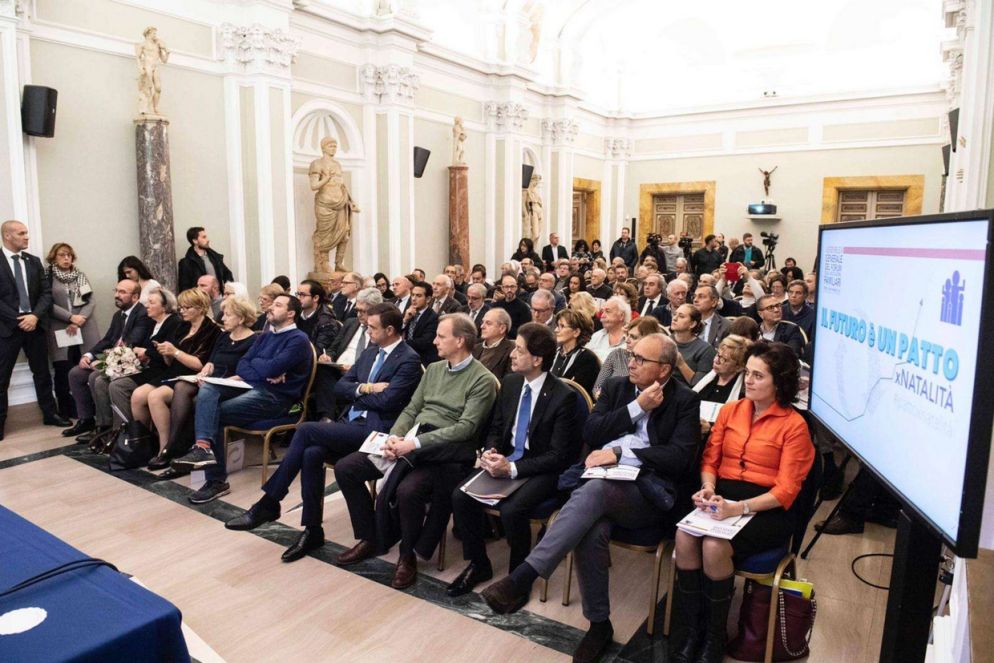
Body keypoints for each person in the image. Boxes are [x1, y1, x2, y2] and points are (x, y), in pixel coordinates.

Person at [482, 333, 701, 661]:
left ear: (665, 369)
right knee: (591, 530)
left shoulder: (684, 400)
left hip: (648, 495)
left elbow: (679, 458)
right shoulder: (618, 388)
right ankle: (599, 625)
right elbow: (591, 433)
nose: (632, 363)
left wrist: (619, 453)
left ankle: (523, 576)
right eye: (632, 356)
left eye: (642, 359)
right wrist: (635, 408)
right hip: (602, 488)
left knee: (593, 492)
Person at [224, 303, 423, 559]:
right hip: (351, 424)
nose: (367, 330)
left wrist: (357, 392)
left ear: (391, 329)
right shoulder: (372, 351)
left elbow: (388, 402)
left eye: (373, 327)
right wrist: (366, 389)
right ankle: (312, 530)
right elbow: (340, 387)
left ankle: (270, 502)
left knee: (306, 430)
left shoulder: (408, 359)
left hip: (379, 431)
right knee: (312, 453)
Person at [670, 342, 814, 663]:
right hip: (724, 496)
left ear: (780, 382)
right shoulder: (730, 410)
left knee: (713, 546)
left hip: (767, 508)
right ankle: (693, 629)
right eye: (747, 373)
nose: (748, 380)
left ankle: (714, 636)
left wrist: (739, 508)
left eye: (758, 376)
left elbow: (787, 491)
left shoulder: (794, 426)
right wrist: (707, 487)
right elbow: (710, 458)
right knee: (683, 535)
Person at [333, 314, 498, 589]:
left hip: (445, 453)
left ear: (460, 341)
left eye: (441, 336)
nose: (434, 340)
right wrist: (394, 437)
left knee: (407, 491)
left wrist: (413, 444)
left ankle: (407, 556)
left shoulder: (483, 379)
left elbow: (466, 429)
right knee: (346, 468)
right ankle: (371, 537)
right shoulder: (433, 369)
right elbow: (412, 408)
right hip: (412, 440)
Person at [448, 323, 577, 595]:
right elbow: (496, 427)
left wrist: (513, 468)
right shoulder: (511, 382)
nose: (512, 355)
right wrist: (491, 451)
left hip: (541, 468)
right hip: (507, 460)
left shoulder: (563, 397)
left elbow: (559, 456)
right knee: (460, 495)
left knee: (512, 510)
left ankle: (517, 578)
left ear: (538, 359)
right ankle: (479, 564)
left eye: (519, 350)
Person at [171, 294, 314, 504]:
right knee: (209, 387)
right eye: (272, 304)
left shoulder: (298, 340)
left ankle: (215, 480)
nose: (270, 308)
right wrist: (264, 369)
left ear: (291, 313)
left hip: (277, 399)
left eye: (278, 305)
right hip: (252, 388)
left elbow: (268, 367)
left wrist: (262, 367)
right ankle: (202, 447)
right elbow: (242, 365)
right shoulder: (265, 335)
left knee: (214, 413)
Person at [147, 296, 258, 471]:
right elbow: (211, 362)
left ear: (242, 319)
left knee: (196, 400)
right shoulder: (224, 337)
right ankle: (174, 447)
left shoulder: (254, 341)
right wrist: (204, 373)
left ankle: (177, 448)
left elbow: (247, 373)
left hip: (233, 385)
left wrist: (216, 381)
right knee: (182, 386)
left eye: (228, 315)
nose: (223, 319)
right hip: (212, 381)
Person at [0, 220, 69, 439]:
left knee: (42, 373)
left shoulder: (33, 261)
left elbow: (46, 293)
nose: (27, 237)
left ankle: (50, 413)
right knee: (2, 377)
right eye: (21, 233)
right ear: (7, 236)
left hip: (35, 325)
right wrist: (19, 318)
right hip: (8, 328)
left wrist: (34, 316)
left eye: (27, 233)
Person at [127, 288, 220, 445]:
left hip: (192, 376)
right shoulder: (183, 326)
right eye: (181, 307)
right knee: (138, 395)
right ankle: (143, 443)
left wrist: (175, 352)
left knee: (155, 396)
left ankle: (166, 445)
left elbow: (200, 364)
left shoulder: (211, 330)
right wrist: (165, 352)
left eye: (187, 307)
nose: (182, 311)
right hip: (174, 371)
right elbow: (170, 361)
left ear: (200, 307)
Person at [65, 280, 153, 442]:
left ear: (135, 297)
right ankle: (86, 419)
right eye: (116, 291)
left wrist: (104, 361)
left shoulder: (143, 314)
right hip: (112, 359)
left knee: (96, 378)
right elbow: (107, 340)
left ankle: (104, 426)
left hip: (131, 363)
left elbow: (132, 342)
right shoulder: (118, 315)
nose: (116, 295)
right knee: (76, 373)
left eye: (122, 292)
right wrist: (89, 356)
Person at [105, 287, 184, 428]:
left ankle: (131, 433)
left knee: (118, 386)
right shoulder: (152, 323)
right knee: (106, 380)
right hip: (148, 368)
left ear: (164, 306)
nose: (146, 305)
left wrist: (146, 352)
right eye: (147, 302)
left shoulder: (174, 322)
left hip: (162, 370)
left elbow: (168, 351)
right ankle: (119, 431)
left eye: (152, 303)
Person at [45, 242, 99, 420]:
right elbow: (47, 303)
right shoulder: (47, 277)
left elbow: (89, 301)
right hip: (61, 328)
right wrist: (70, 318)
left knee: (85, 366)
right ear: (54, 257)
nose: (66, 258)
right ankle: (67, 411)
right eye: (62, 255)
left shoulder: (79, 276)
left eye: (69, 255)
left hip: (83, 327)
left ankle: (88, 410)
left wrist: (79, 320)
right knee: (63, 370)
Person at [692, 334, 751, 438]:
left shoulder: (743, 393)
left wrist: (710, 429)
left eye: (724, 359)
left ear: (739, 367)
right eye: (718, 355)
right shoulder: (708, 380)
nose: (716, 360)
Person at [593, 315, 663, 399]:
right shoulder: (617, 354)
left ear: (648, 340)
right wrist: (604, 398)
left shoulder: (654, 363)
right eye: (628, 335)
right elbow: (597, 387)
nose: (627, 340)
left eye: (633, 337)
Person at [550, 309, 600, 396]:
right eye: (557, 325)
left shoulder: (588, 359)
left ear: (576, 332)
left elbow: (579, 393)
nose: (556, 330)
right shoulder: (552, 353)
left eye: (562, 326)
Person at [670, 304, 717, 386]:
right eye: (674, 314)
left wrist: (681, 364)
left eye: (681, 316)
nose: (674, 318)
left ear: (692, 324)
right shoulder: (664, 341)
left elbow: (699, 384)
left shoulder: (705, 350)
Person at [177, 226, 234, 293]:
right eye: (204, 237)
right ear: (195, 241)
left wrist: (228, 285)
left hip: (219, 299)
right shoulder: (186, 263)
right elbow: (184, 288)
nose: (207, 240)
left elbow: (227, 273)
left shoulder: (215, 257)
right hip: (201, 301)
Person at [295, 279, 341, 357]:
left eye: (303, 295)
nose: (298, 298)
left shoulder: (326, 321)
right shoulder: (294, 313)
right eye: (297, 294)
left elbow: (319, 351)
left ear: (315, 298)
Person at [402, 281, 440, 365]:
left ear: (428, 299)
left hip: (423, 360)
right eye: (412, 295)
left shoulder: (433, 317)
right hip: (406, 357)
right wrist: (405, 320)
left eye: (418, 296)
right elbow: (397, 332)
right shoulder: (408, 312)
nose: (414, 299)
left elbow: (424, 342)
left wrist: (402, 343)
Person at [473, 308, 515, 380]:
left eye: (488, 323)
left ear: (502, 328)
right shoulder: (475, 348)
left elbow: (508, 382)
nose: (482, 326)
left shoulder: (511, 351)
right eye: (482, 322)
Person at [587, 296, 629, 362]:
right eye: (603, 312)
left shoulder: (630, 340)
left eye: (608, 311)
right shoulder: (596, 336)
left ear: (621, 316)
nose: (602, 316)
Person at [492, 274, 531, 338]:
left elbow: (524, 331)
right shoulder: (496, 306)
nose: (509, 290)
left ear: (516, 287)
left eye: (512, 286)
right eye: (506, 287)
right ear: (502, 288)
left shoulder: (523, 307)